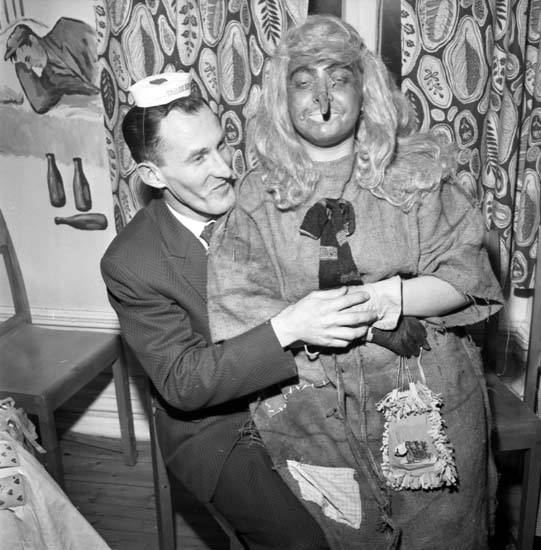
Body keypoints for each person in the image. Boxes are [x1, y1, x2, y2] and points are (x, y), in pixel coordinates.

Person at [207, 15, 503, 550]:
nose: (322, 97)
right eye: (303, 81)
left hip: (423, 392)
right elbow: (239, 310)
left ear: (365, 90)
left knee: (442, 536)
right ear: (282, 97)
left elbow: (467, 277)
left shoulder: (414, 174)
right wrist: (307, 325)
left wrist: (391, 297)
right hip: (312, 407)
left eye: (338, 78)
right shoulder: (256, 197)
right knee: (341, 536)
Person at [100, 71, 380, 550]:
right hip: (219, 426)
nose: (226, 169)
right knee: (305, 542)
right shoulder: (131, 262)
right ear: (152, 176)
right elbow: (184, 382)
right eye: (198, 158)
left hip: (309, 388)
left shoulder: (269, 198)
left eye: (221, 145)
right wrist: (288, 327)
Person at [4, 18, 99, 114]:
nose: (29, 67)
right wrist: (20, 66)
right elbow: (39, 103)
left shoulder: (65, 29)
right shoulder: (50, 77)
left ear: (33, 39)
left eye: (28, 58)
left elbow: (100, 45)